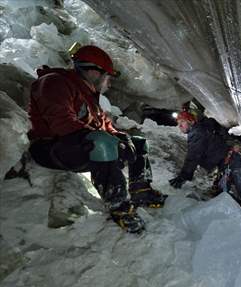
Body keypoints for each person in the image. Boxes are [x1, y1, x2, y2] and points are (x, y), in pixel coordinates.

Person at [27, 44, 166, 234]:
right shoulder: (54, 82)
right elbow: (61, 122)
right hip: (50, 147)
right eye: (107, 76)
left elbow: (104, 126)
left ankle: (141, 190)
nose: (108, 82)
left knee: (137, 141)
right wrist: (108, 139)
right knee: (102, 141)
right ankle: (119, 206)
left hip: (78, 143)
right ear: (94, 72)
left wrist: (120, 137)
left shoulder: (90, 97)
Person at [169, 111, 241, 224]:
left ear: (191, 121)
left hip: (232, 161)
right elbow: (212, 123)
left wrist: (182, 177)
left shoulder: (196, 133)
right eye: (178, 123)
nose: (180, 126)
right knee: (223, 193)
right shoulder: (202, 128)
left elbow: (193, 157)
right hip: (227, 163)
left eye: (182, 122)